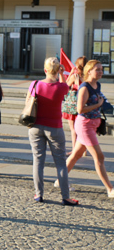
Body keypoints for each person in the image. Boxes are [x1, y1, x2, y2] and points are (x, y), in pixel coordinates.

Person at [28, 57, 78, 206]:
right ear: (57, 71)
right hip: (54, 128)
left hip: (35, 127)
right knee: (61, 163)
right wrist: (62, 73)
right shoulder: (61, 87)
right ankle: (65, 196)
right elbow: (66, 85)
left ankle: (38, 194)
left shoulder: (35, 84)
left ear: (45, 70)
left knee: (38, 161)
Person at [65, 60, 114, 198]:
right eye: (97, 69)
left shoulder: (97, 85)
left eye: (101, 69)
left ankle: (59, 179)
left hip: (92, 124)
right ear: (89, 71)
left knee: (76, 155)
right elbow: (80, 109)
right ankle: (110, 189)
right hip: (85, 125)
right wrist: (97, 104)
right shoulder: (84, 87)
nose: (100, 72)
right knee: (99, 156)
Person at [62, 56, 88, 155]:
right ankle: (84, 150)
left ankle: (74, 150)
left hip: (73, 106)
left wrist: (70, 74)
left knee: (74, 130)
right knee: (83, 129)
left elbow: (65, 87)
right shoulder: (88, 77)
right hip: (85, 106)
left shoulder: (75, 76)